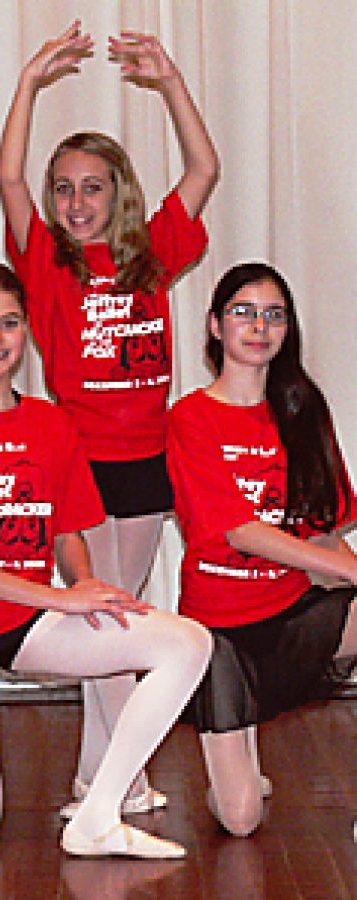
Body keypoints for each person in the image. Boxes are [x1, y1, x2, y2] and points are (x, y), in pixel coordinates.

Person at [0, 261, 212, 859]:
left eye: (9, 323)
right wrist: (63, 598)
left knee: (187, 643)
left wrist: (89, 582)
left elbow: (70, 529)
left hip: (26, 622)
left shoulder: (51, 423)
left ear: (27, 333)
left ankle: (98, 814)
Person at [0, 21, 219, 816]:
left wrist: (169, 83)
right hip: (80, 462)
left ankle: (103, 774)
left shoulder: (151, 252)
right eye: (65, 188)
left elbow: (204, 167)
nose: (76, 202)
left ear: (116, 192)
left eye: (92, 186)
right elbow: (9, 182)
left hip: (146, 459)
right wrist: (27, 84)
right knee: (108, 615)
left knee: (115, 614)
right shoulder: (47, 262)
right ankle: (110, 778)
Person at [166, 262, 356, 837]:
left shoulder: (303, 410)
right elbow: (241, 530)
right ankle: (233, 743)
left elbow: (323, 529)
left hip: (289, 619)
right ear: (216, 326)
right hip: (220, 634)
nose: (259, 326)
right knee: (241, 820)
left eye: (274, 314)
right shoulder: (190, 418)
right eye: (243, 312)